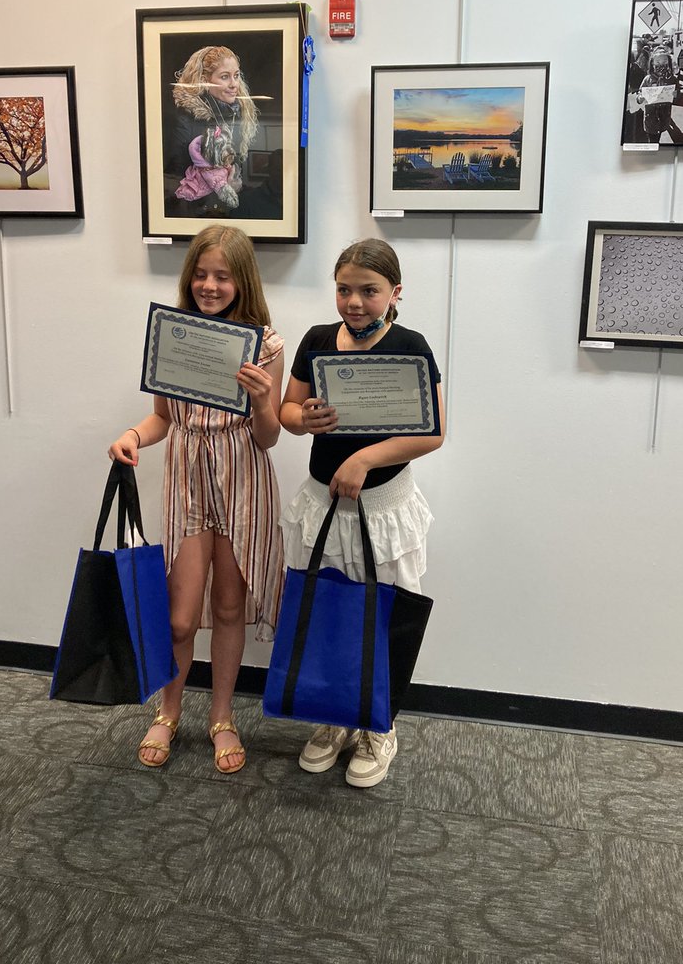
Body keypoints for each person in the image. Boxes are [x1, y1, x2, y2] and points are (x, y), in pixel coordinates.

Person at [109, 224, 284, 774]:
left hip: (242, 478)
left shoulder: (266, 343)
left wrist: (259, 402)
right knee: (180, 617)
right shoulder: (173, 333)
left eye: (222, 276)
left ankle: (223, 715)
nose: (210, 286)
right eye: (201, 275)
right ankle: (169, 709)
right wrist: (134, 436)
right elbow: (162, 417)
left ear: (243, 280)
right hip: (187, 477)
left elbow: (269, 436)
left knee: (230, 605)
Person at [278, 239, 445, 788]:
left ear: (395, 293)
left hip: (383, 508)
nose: (354, 302)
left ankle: (379, 725)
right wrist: (305, 419)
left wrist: (364, 459)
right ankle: (334, 719)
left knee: (383, 617)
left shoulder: (411, 345)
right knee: (328, 611)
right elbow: (286, 412)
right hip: (324, 504)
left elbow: (433, 431)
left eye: (368, 291)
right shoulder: (318, 340)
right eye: (344, 289)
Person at [169, 46, 259, 216]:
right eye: (225, 77)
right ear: (204, 80)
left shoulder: (238, 115)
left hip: (227, 214)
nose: (234, 84)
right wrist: (223, 189)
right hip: (195, 215)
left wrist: (237, 186)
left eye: (237, 76)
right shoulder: (186, 119)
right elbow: (175, 180)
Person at [637, 46, 677, 143]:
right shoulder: (647, 79)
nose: (661, 65)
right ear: (652, 63)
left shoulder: (672, 79)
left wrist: (676, 95)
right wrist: (641, 98)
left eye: (664, 62)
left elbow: (676, 98)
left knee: (659, 135)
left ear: (669, 63)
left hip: (664, 118)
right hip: (650, 119)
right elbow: (639, 95)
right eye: (658, 62)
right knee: (653, 141)